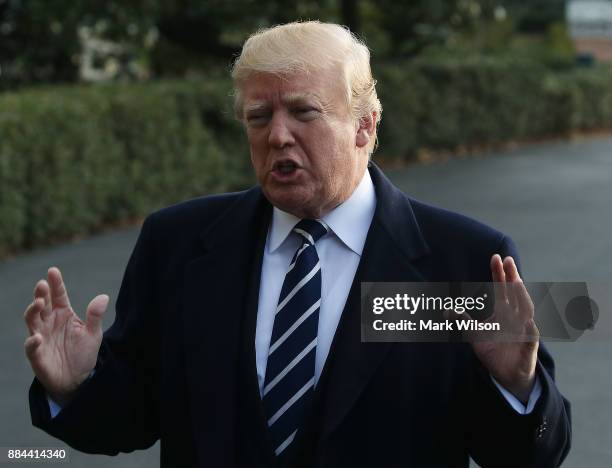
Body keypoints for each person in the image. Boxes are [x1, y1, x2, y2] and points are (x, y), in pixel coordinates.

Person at [24, 21, 571, 468]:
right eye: (259, 117)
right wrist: (77, 386)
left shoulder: (462, 259)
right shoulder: (180, 244)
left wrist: (515, 384)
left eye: (303, 112)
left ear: (365, 124)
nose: (277, 135)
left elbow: (527, 455)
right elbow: (133, 416)